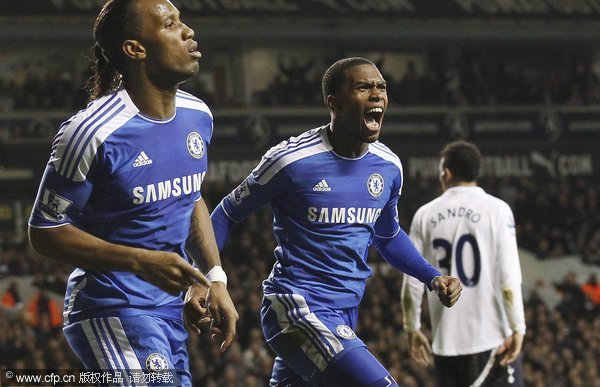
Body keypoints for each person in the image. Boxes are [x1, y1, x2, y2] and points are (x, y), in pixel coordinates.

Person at [207, 57, 462, 386]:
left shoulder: (388, 167)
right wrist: (208, 277)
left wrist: (432, 277)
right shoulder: (291, 160)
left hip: (345, 312)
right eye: (363, 87)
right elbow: (228, 211)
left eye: (381, 87)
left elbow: (387, 236)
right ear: (334, 102)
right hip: (296, 307)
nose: (376, 94)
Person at [27, 0, 238, 385]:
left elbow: (190, 198)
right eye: (171, 23)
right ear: (135, 48)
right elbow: (45, 231)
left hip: (170, 312)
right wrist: (141, 261)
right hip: (111, 308)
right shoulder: (90, 132)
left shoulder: (198, 115)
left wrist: (213, 279)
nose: (188, 31)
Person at [401, 141, 526, 387]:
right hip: (492, 339)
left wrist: (411, 327)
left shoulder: (425, 215)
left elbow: (412, 280)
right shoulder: (498, 210)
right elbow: (509, 278)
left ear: (446, 172)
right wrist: (518, 327)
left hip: (446, 345)